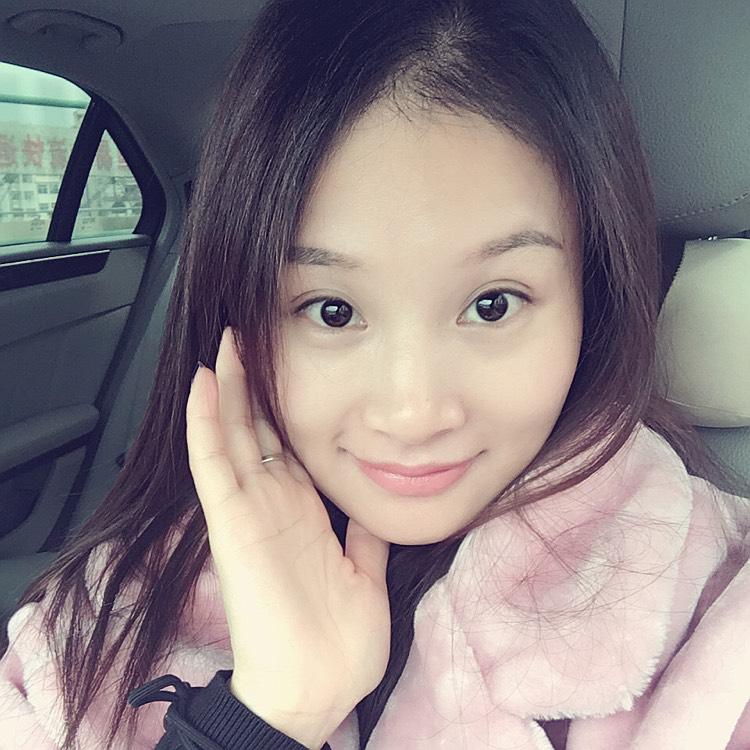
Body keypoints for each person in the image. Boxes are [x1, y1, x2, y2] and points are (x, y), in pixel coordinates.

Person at [1, 0, 749, 748]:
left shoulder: (721, 627)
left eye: (492, 304)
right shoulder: (91, 629)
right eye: (331, 311)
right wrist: (263, 716)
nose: (412, 412)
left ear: (592, 296)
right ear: (240, 318)